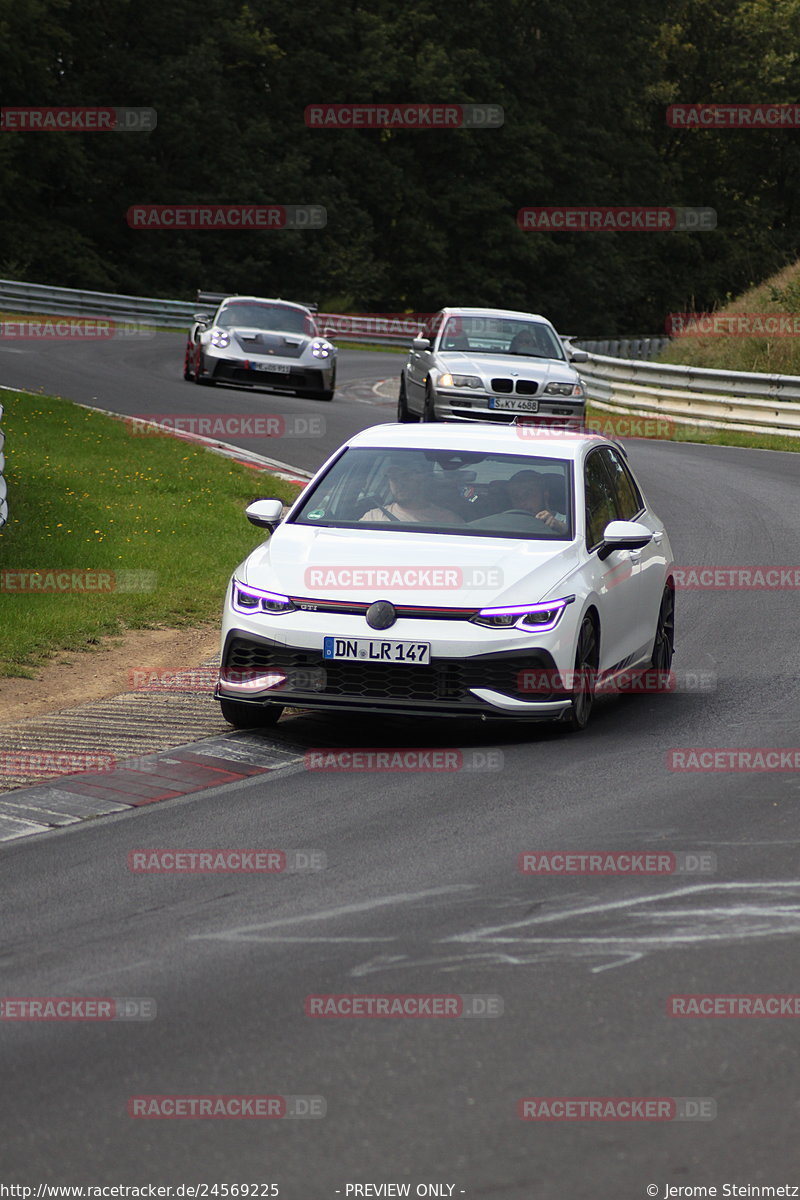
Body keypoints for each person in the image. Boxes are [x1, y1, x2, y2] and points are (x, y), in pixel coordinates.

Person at [360, 460, 464, 524]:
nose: (400, 484)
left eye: (406, 476)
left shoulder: (447, 520)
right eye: (394, 478)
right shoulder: (373, 517)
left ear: (421, 479)